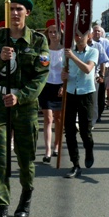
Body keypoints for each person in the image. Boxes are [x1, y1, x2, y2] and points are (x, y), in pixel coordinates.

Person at [0, 0, 49, 217]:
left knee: (25, 157)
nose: (15, 12)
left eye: (19, 8)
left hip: (25, 106)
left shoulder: (38, 41)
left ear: (27, 13)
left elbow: (41, 76)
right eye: (11, 8)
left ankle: (26, 195)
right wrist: (0, 60)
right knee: (0, 159)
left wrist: (21, 96)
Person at [61, 29, 98, 178]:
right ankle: (75, 164)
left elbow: (88, 69)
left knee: (85, 130)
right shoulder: (68, 52)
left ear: (88, 36)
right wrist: (63, 76)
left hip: (86, 94)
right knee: (69, 130)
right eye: (76, 34)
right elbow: (64, 72)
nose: (79, 37)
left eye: (82, 34)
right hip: (70, 92)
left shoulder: (93, 51)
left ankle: (89, 149)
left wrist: (73, 56)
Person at [38, 19, 64, 164]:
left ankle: (57, 145)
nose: (53, 34)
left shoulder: (64, 51)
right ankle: (47, 150)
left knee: (59, 118)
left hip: (60, 86)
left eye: (56, 32)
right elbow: (42, 68)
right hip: (46, 86)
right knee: (48, 118)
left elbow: (67, 69)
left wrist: (63, 86)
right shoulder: (44, 50)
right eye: (51, 32)